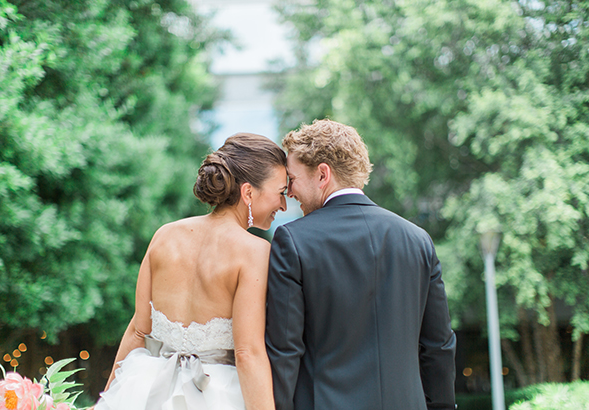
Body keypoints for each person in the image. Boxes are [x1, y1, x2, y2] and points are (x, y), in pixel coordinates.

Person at [266, 119, 457, 410]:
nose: (289, 192)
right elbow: (438, 347)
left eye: (292, 180)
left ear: (322, 174)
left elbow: (285, 352)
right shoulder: (418, 240)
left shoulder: (292, 240)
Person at [94, 133, 287, 410]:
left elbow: (138, 332)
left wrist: (109, 397)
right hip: (217, 394)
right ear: (247, 193)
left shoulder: (164, 236)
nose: (283, 205)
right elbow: (247, 353)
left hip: (146, 390)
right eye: (280, 193)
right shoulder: (254, 252)